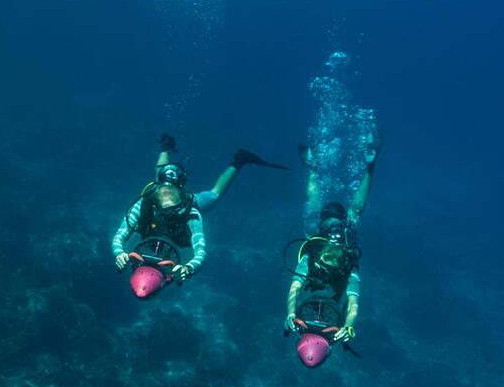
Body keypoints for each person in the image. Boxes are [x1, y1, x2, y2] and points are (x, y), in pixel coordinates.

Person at [284, 129, 382, 344]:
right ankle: (364, 167)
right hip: (330, 223)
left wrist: (349, 325)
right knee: (345, 212)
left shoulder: (348, 266)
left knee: (322, 209)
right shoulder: (312, 257)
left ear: (341, 266)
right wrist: (290, 313)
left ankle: (318, 168)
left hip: (332, 223)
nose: (324, 272)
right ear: (318, 258)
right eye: (321, 268)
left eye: (328, 270)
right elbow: (295, 288)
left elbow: (354, 302)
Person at [152, 133, 283, 215]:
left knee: (161, 182)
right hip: (179, 200)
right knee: (214, 194)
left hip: (186, 202)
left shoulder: (191, 208)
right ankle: (240, 161)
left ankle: (241, 160)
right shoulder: (150, 200)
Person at [112, 182, 205, 284]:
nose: (170, 216)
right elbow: (119, 236)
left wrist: (188, 268)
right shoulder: (141, 207)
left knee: (215, 195)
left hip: (193, 202)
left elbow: (200, 251)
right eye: (166, 211)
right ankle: (161, 170)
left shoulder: (191, 214)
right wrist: (119, 253)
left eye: (173, 210)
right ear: (155, 208)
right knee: (161, 169)